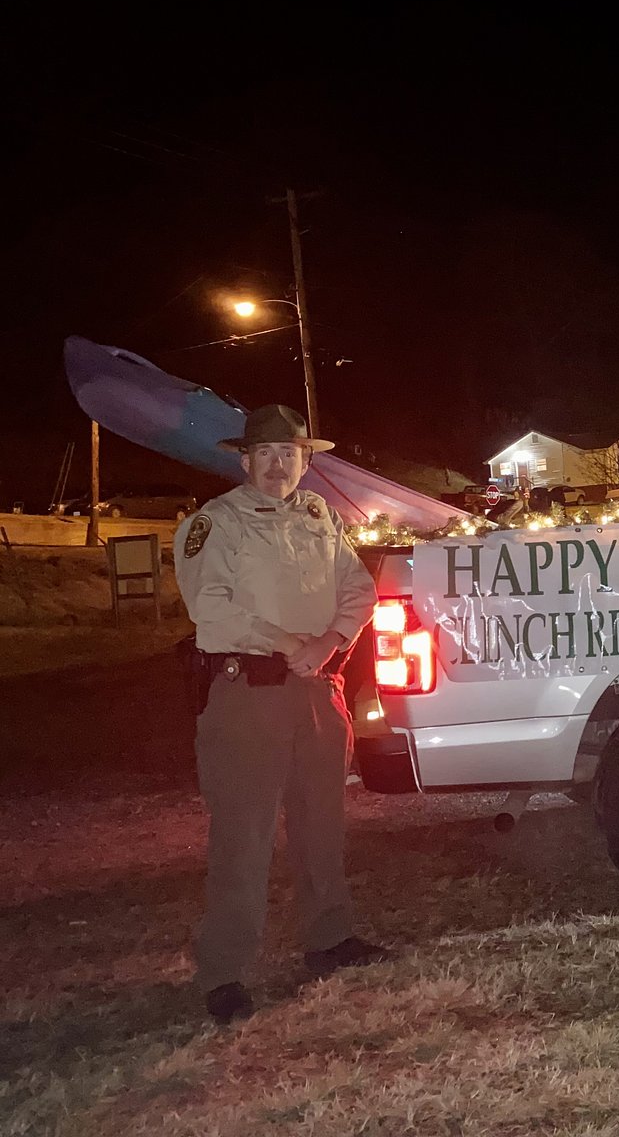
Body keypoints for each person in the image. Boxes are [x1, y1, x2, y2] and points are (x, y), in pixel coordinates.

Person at [175, 405, 390, 1023]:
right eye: (265, 454)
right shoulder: (215, 524)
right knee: (245, 835)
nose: (277, 465)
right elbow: (209, 606)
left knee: (322, 822)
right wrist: (291, 644)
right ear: (244, 460)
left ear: (306, 460)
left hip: (317, 691)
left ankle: (329, 938)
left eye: (289, 453)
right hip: (249, 694)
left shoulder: (319, 517)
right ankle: (225, 970)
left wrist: (329, 642)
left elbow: (359, 588)